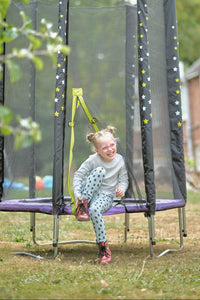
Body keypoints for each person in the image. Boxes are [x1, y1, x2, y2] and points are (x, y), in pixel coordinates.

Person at [73, 125, 129, 264]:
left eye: (112, 145)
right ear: (97, 150)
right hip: (88, 192)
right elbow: (78, 176)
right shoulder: (93, 159)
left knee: (95, 210)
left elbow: (123, 179)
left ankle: (103, 247)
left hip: (105, 196)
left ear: (115, 143)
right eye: (105, 148)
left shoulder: (120, 161)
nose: (110, 149)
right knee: (99, 171)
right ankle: (82, 205)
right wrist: (78, 196)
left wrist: (121, 188)